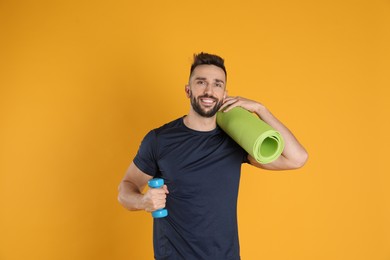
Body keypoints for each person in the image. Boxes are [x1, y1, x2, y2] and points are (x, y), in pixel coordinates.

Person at [118, 52, 308, 260]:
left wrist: (261, 109)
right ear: (188, 90)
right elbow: (125, 190)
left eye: (217, 84)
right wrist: (144, 201)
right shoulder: (159, 139)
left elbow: (297, 158)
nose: (209, 90)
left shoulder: (235, 140)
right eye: (201, 82)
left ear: (224, 94)